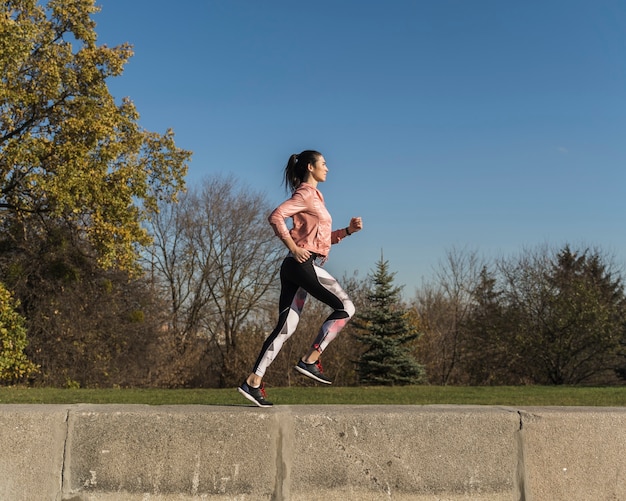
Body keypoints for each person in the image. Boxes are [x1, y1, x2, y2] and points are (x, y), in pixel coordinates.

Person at [237, 150, 363, 407]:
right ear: (310, 167)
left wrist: (348, 231)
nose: (327, 168)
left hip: (296, 266)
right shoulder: (305, 194)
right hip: (301, 264)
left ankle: (253, 382)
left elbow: (319, 240)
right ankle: (310, 359)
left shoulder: (316, 197)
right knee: (346, 307)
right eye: (324, 164)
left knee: (285, 328)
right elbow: (276, 216)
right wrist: (294, 249)